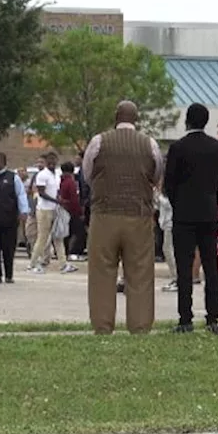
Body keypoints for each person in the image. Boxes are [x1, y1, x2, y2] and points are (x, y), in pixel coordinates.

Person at [81, 100, 165, 335]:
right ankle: (139, 326)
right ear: (135, 118)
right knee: (139, 272)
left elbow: (88, 174)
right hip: (139, 215)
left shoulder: (99, 141)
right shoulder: (149, 143)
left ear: (116, 116)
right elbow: (156, 173)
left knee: (102, 272)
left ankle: (102, 325)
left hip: (104, 214)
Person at [163, 102, 218, 333]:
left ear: (187, 121)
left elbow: (168, 183)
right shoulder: (217, 148)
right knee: (210, 267)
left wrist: (178, 203)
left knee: (185, 267)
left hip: (184, 215)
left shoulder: (178, 148)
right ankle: (212, 318)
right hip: (209, 213)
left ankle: (185, 318)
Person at [0, 152, 29, 284]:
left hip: (8, 219)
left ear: (2, 161)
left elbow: (21, 195)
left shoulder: (12, 178)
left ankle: (9, 274)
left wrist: (23, 211)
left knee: (8, 248)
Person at [29, 152, 65, 274]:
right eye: (49, 161)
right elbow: (42, 193)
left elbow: (57, 190)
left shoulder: (57, 174)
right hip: (44, 209)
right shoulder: (42, 175)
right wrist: (56, 200)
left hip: (55, 209)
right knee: (42, 237)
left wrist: (59, 200)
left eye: (54, 161)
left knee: (58, 237)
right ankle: (33, 263)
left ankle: (63, 264)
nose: (52, 163)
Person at [59, 161, 85, 268]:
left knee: (66, 233)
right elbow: (74, 198)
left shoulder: (62, 181)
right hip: (72, 211)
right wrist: (79, 212)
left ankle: (65, 253)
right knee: (79, 232)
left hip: (64, 210)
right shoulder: (70, 182)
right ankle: (74, 252)